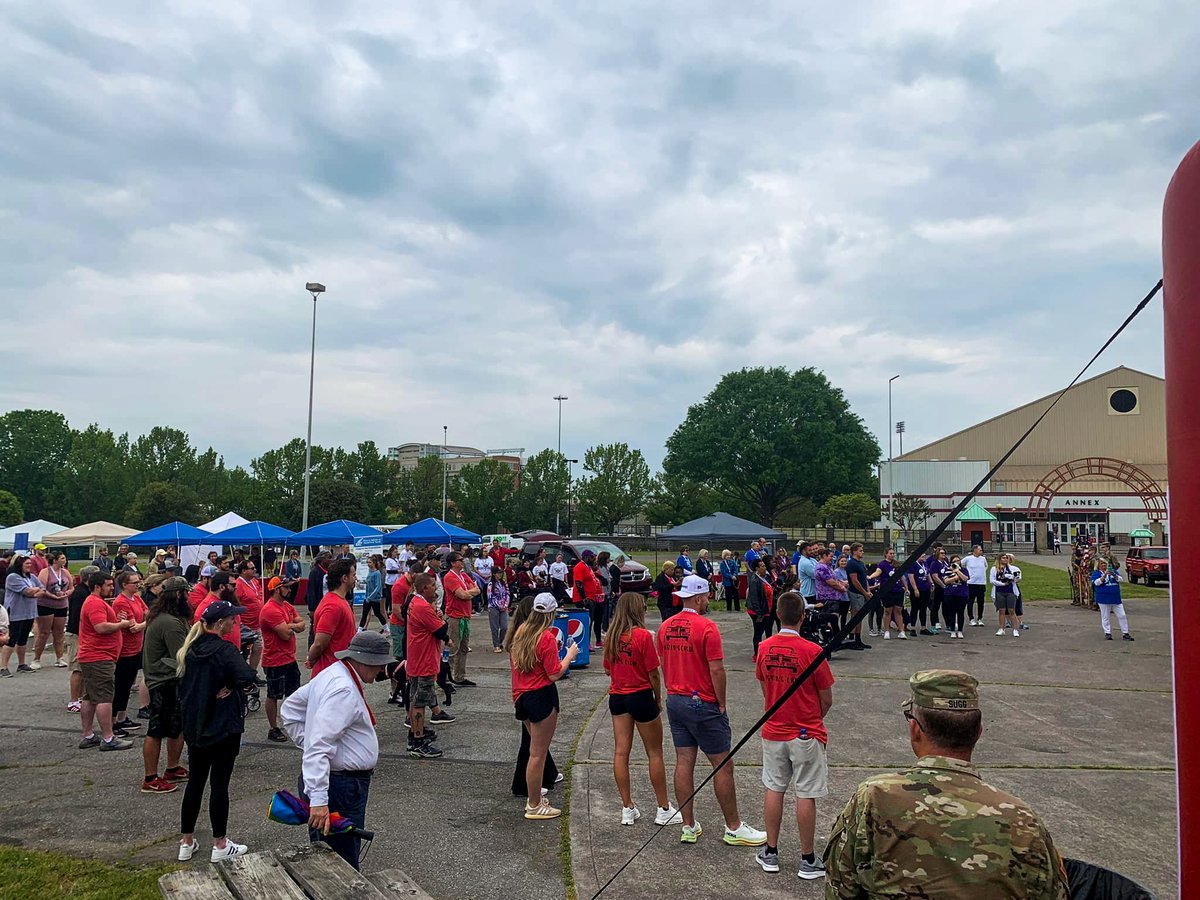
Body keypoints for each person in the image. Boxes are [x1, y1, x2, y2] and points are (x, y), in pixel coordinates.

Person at [824, 670, 1069, 897]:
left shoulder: (875, 798)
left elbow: (840, 887)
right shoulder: (1023, 819)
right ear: (979, 732)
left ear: (915, 730)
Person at [658, 573, 766, 847]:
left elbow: (664, 660)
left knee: (684, 760)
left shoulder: (666, 626)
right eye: (706, 597)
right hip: (701, 700)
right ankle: (733, 826)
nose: (707, 601)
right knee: (722, 764)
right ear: (698, 597)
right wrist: (720, 702)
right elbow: (716, 670)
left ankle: (688, 825)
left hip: (675, 699)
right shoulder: (707, 628)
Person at [281, 631, 391, 870]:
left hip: (337, 782)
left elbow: (290, 711)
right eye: (379, 664)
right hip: (340, 786)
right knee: (340, 863)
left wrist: (309, 742)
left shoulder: (332, 673)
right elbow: (319, 744)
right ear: (365, 661)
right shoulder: (343, 689)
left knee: (329, 856)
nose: (381, 669)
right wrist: (320, 799)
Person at [754, 592, 834, 880]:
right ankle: (807, 858)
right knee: (806, 793)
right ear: (803, 617)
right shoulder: (812, 651)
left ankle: (771, 851)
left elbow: (765, 688)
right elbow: (826, 698)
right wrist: (812, 718)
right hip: (805, 732)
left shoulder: (764, 648)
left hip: (774, 729)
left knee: (774, 788)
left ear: (778, 615)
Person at [177, 599, 258, 862]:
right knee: (219, 784)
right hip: (222, 724)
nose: (235, 623)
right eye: (232, 620)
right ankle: (219, 843)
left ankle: (186, 841)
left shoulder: (190, 649)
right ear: (221, 623)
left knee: (196, 782)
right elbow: (247, 675)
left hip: (196, 724)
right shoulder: (225, 650)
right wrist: (233, 686)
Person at [604, 591, 678, 827]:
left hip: (618, 696)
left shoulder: (612, 637)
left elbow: (608, 669)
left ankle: (627, 807)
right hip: (640, 694)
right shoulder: (643, 636)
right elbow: (653, 673)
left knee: (620, 752)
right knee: (654, 752)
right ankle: (663, 807)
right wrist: (658, 697)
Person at [510, 592, 578, 820]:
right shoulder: (545, 637)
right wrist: (569, 655)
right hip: (541, 696)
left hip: (522, 696)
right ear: (550, 614)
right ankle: (534, 803)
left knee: (534, 752)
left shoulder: (521, 632)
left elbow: (531, 663)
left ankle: (535, 798)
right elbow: (554, 673)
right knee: (537, 754)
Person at [140, 576, 192, 794]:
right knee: (157, 729)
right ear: (178, 594)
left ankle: (172, 767)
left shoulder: (170, 617)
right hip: (164, 680)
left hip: (171, 679)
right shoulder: (169, 622)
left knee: (176, 727)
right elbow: (181, 654)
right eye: (186, 593)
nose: (188, 597)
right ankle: (150, 778)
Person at [76, 571, 134, 750]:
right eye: (108, 585)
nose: (111, 588)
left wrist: (116, 621)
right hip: (98, 656)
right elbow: (100, 627)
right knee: (104, 697)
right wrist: (121, 625)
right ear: (97, 587)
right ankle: (108, 738)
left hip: (95, 656)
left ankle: (88, 735)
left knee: (90, 696)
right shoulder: (94, 603)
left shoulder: (96, 602)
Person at [405, 572, 454, 758]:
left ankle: (414, 734)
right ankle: (418, 741)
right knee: (420, 701)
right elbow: (441, 629)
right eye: (433, 585)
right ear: (424, 588)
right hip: (424, 660)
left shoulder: (413, 602)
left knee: (414, 697)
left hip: (416, 658)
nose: (436, 588)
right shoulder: (422, 607)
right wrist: (440, 618)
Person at [259, 576, 307, 742]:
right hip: (275, 660)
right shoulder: (270, 609)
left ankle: (293, 723)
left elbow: (302, 623)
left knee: (293, 693)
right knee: (274, 695)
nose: (289, 590)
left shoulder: (286, 606)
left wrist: (291, 625)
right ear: (277, 589)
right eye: (286, 587)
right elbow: (286, 635)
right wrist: (292, 626)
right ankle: (273, 728)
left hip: (289, 658)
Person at [111, 570, 149, 735]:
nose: (138, 584)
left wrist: (143, 623)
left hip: (136, 647)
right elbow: (133, 626)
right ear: (125, 585)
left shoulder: (137, 597)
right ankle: (114, 721)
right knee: (121, 685)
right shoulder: (121, 602)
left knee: (127, 686)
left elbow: (149, 613)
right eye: (134, 582)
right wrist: (143, 624)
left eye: (138, 581)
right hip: (125, 649)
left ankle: (122, 716)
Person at [307, 558, 358, 676]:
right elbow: (319, 644)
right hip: (330, 673)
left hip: (339, 669)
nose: (355, 578)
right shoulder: (333, 606)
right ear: (344, 578)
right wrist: (311, 658)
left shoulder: (340, 601)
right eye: (353, 575)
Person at [2, 555, 47, 675]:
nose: (29, 566)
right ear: (19, 565)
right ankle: (3, 667)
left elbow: (43, 590)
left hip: (29, 612)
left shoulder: (32, 577)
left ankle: (21, 664)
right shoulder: (12, 577)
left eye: (30, 563)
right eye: (26, 564)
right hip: (16, 612)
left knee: (23, 639)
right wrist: (35, 591)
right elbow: (26, 592)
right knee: (11, 639)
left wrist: (35, 591)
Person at [442, 552, 480, 687]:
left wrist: (468, 593)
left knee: (463, 647)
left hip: (465, 616)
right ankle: (446, 677)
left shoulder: (463, 575)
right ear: (453, 563)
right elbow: (462, 595)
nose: (462, 561)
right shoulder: (449, 577)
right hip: (454, 616)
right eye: (459, 560)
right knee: (453, 648)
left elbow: (477, 590)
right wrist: (469, 593)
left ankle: (459, 676)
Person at [234, 560, 265, 677]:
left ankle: (252, 673)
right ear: (243, 571)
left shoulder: (254, 581)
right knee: (244, 652)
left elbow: (260, 594)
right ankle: (244, 674)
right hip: (246, 624)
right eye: (252, 568)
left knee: (258, 648)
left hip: (256, 623)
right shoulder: (238, 585)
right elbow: (236, 604)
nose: (255, 570)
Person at [1092, 557, 1134, 641]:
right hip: (1103, 598)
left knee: (1122, 615)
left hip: (1115, 598)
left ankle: (1125, 633)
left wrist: (1113, 575)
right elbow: (1096, 583)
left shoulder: (1113, 572)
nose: (1104, 565)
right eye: (1102, 564)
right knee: (1105, 616)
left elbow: (1120, 579)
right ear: (1098, 566)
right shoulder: (1096, 573)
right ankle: (1107, 632)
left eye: (1105, 563)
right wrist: (1104, 575)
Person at [842, 543, 872, 651]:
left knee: (860, 617)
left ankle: (858, 639)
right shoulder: (851, 564)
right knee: (855, 616)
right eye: (860, 550)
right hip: (856, 593)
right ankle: (852, 639)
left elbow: (864, 579)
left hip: (863, 592)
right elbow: (854, 581)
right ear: (854, 551)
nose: (862, 552)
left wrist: (868, 591)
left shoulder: (861, 563)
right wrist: (864, 592)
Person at [572, 550, 604, 647]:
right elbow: (578, 583)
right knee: (587, 621)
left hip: (592, 597)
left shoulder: (588, 567)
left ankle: (588, 642)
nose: (593, 559)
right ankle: (586, 643)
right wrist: (584, 598)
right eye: (592, 557)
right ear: (586, 557)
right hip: (583, 599)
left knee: (591, 621)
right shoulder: (580, 567)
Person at [876, 548, 907, 640]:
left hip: (898, 590)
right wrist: (871, 576)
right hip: (887, 591)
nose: (892, 555)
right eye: (890, 553)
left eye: (893, 553)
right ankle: (886, 631)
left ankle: (901, 631)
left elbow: (902, 576)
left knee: (898, 610)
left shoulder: (897, 564)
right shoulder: (882, 564)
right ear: (886, 554)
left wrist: (906, 587)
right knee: (887, 611)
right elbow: (878, 572)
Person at [746, 558, 774, 658]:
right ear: (757, 568)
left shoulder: (764, 578)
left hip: (766, 609)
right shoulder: (754, 580)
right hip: (758, 611)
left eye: (764, 566)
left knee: (764, 630)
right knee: (758, 632)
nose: (765, 568)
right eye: (762, 566)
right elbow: (754, 598)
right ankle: (756, 654)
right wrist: (759, 614)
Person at [990, 553, 1021, 637]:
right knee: (1001, 610)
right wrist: (1002, 584)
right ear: (999, 559)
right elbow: (992, 580)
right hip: (999, 591)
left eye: (1006, 558)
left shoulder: (1014, 568)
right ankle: (1001, 628)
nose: (1005, 559)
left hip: (1010, 591)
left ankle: (1015, 629)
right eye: (1003, 558)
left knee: (1012, 610)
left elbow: (1017, 579)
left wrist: (1012, 577)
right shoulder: (994, 569)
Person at [905, 552, 932, 636]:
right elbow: (911, 577)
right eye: (922, 555)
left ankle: (923, 628)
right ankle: (913, 628)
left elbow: (928, 574)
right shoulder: (913, 564)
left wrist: (931, 583)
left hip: (925, 589)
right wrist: (915, 589)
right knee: (915, 608)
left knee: (923, 609)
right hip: (916, 590)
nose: (924, 557)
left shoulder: (924, 563)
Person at [941, 555, 969, 639]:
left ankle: (960, 631)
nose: (956, 562)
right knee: (951, 612)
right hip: (950, 594)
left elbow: (965, 579)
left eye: (958, 561)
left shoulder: (964, 570)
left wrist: (958, 571)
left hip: (962, 594)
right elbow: (946, 581)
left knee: (960, 613)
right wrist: (955, 577)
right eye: (954, 561)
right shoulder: (947, 570)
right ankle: (952, 630)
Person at [962, 544, 989, 627]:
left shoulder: (983, 559)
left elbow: (986, 567)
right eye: (979, 549)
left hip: (981, 583)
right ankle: (971, 618)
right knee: (970, 601)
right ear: (975, 550)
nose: (981, 551)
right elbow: (961, 564)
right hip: (971, 583)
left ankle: (980, 618)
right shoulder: (968, 559)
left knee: (981, 602)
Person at [487, 565, 511, 652]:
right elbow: (490, 597)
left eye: (501, 573)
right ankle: (496, 645)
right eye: (498, 573)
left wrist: (505, 605)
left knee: (504, 627)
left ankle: (500, 642)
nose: (500, 575)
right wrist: (499, 605)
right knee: (495, 628)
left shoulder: (503, 583)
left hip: (503, 608)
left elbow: (507, 594)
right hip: (493, 608)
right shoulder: (491, 584)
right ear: (494, 574)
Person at [359, 554, 386, 630]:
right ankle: (359, 630)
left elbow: (378, 587)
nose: (368, 564)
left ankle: (386, 628)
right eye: (367, 562)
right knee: (364, 614)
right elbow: (368, 584)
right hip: (367, 598)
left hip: (374, 598)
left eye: (370, 562)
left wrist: (371, 597)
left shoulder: (377, 573)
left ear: (374, 563)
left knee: (378, 614)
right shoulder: (369, 572)